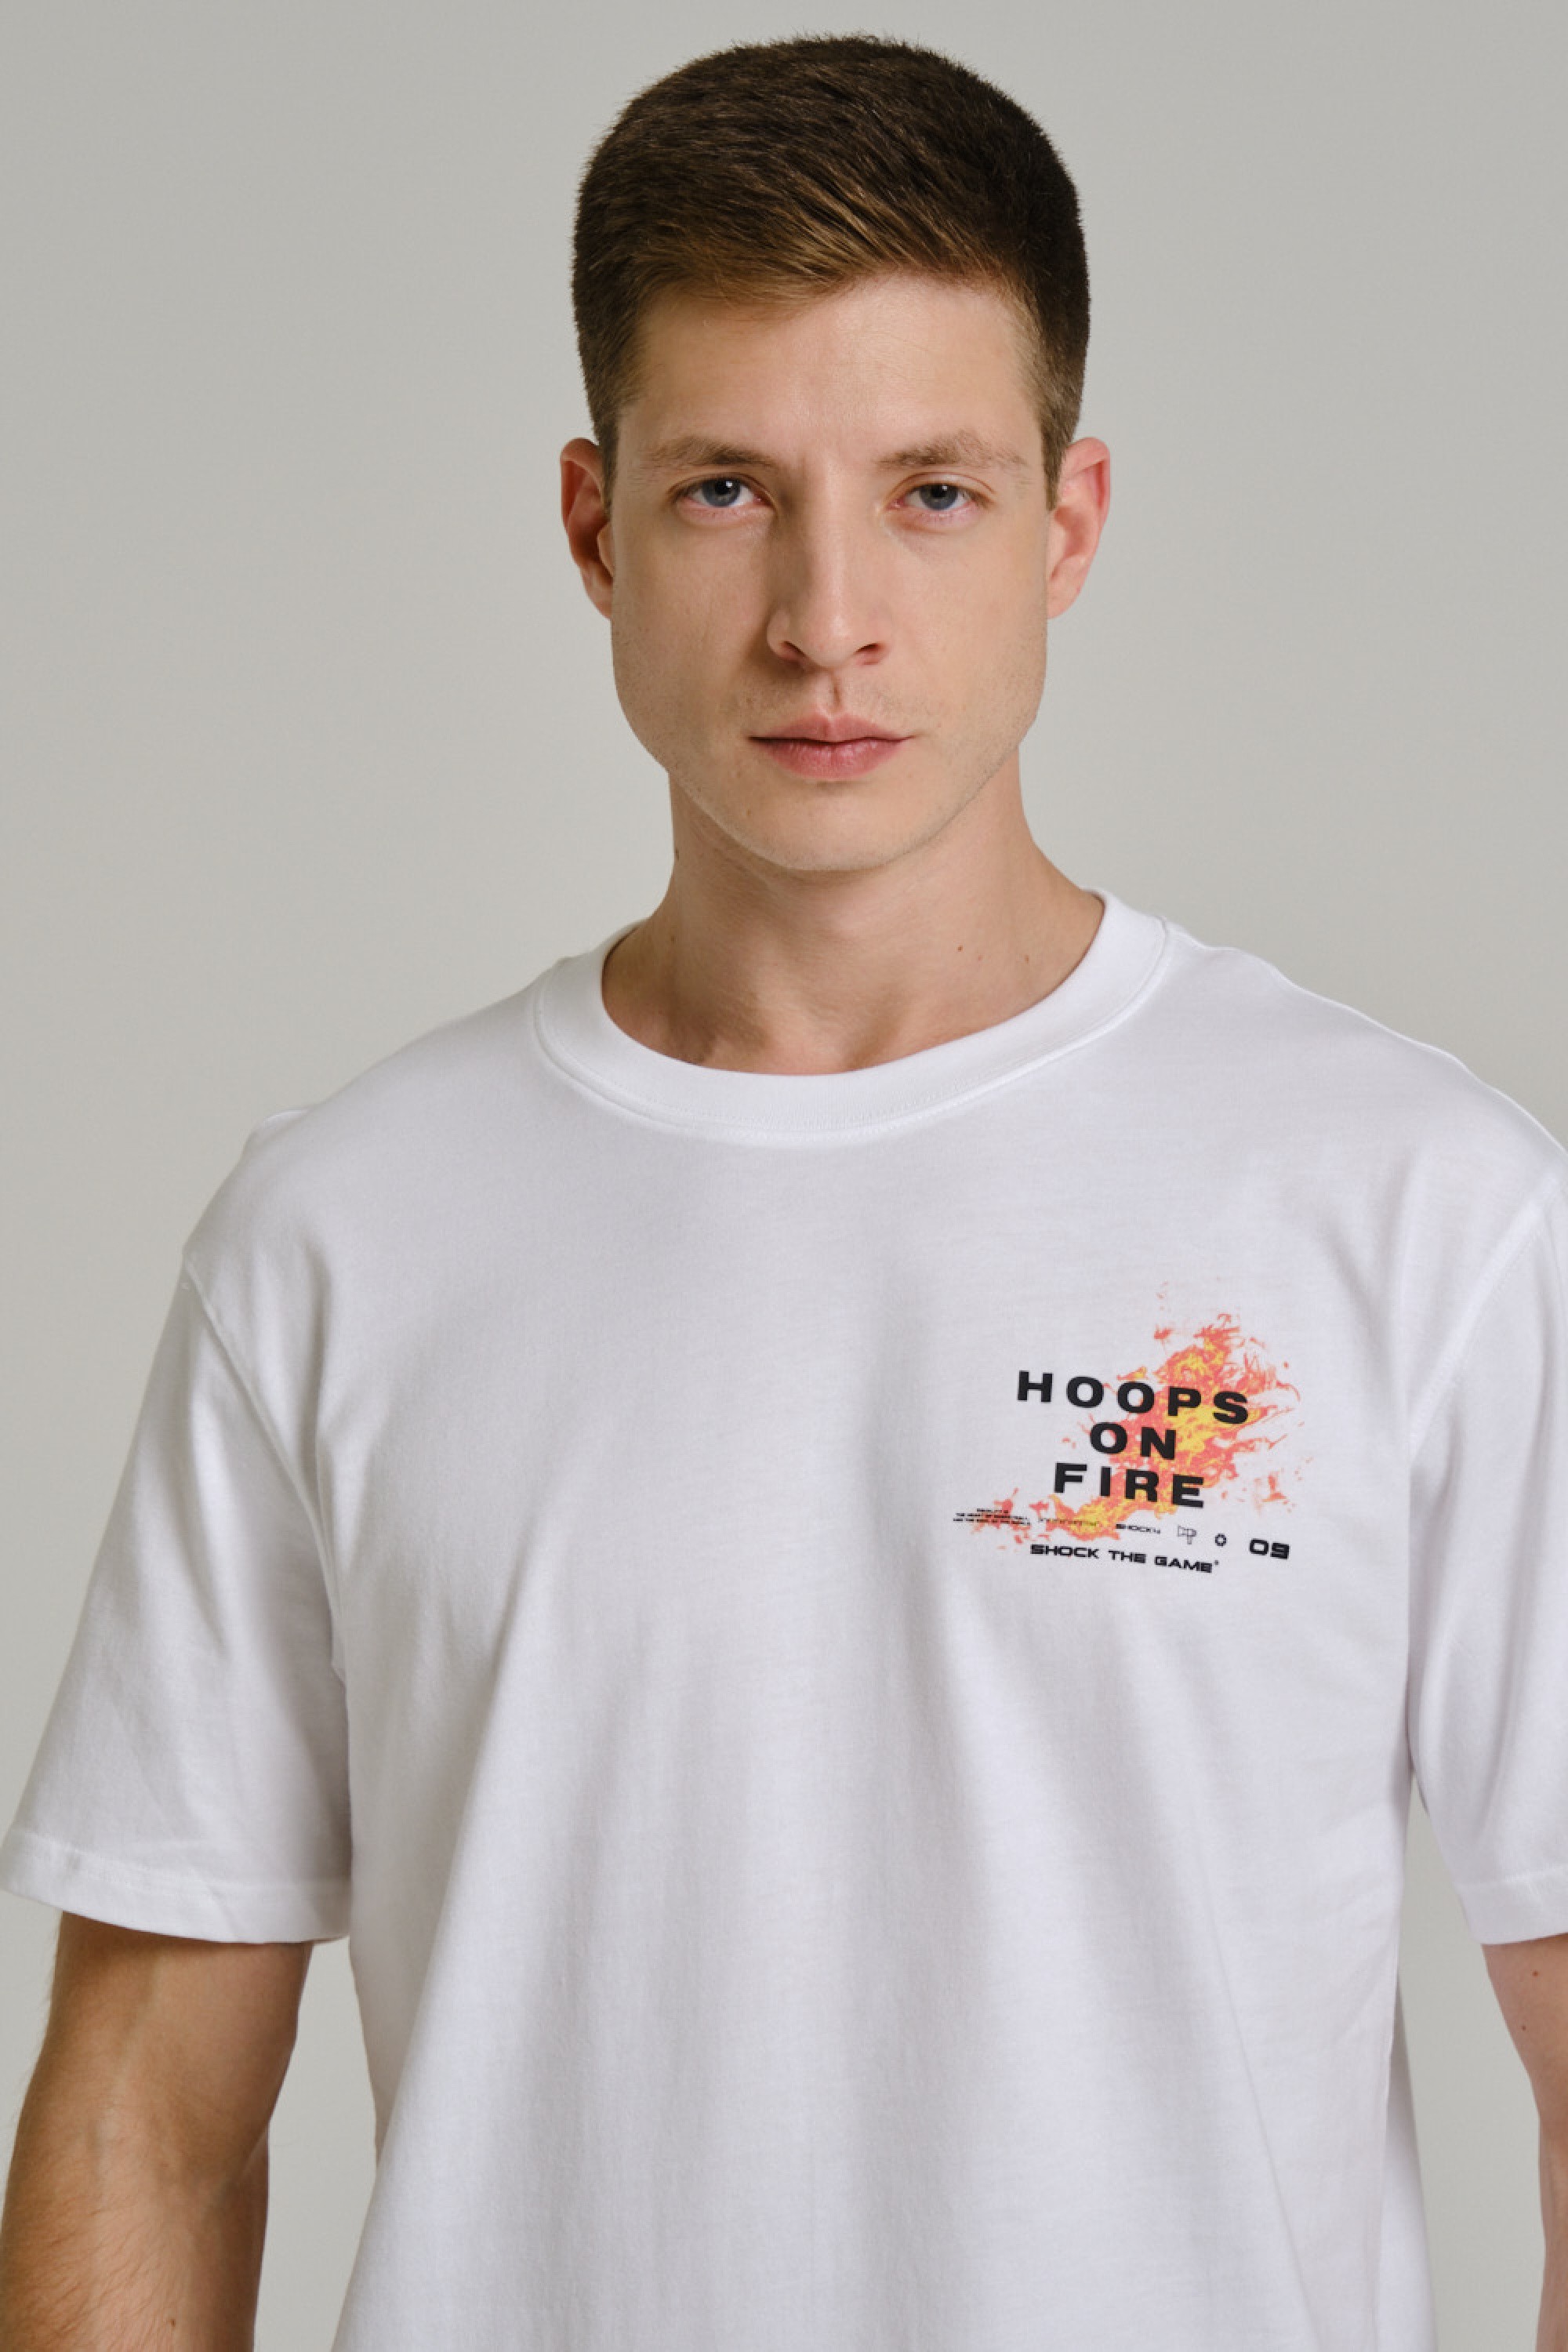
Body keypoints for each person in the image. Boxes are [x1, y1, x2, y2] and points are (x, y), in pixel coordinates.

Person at [1, 31, 1565, 2350]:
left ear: (1070, 523)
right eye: (729, 488)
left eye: (933, 490)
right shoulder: (339, 1240)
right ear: (593, 526)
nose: (829, 616)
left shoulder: (1415, 1211)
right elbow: (147, 2116)